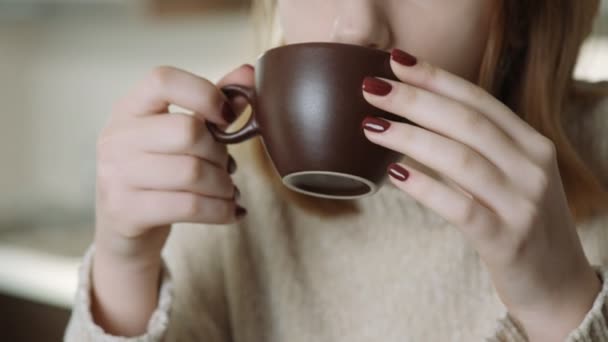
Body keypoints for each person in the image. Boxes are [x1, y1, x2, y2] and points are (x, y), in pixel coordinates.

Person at [65, 0, 608, 341]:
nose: (356, 24)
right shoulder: (226, 186)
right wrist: (124, 268)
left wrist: (558, 305)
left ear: (520, 15)